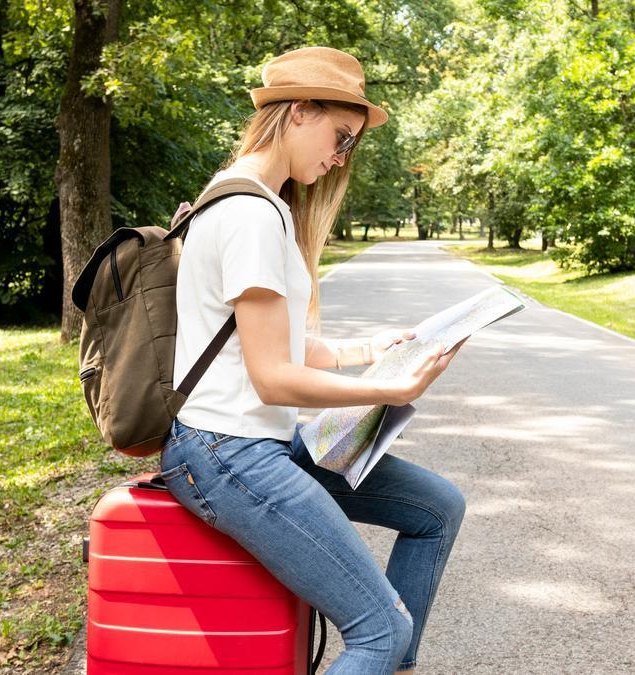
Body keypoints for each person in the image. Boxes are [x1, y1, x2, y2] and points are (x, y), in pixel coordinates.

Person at [159, 46, 468, 675]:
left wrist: (369, 352)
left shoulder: (243, 198)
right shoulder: (249, 213)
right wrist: (386, 391)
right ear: (299, 111)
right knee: (381, 628)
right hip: (228, 451)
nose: (340, 157)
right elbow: (273, 379)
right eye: (340, 136)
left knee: (437, 508)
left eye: (350, 144)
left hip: (249, 445)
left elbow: (279, 346)